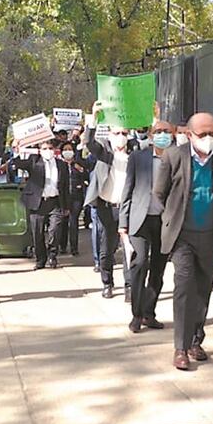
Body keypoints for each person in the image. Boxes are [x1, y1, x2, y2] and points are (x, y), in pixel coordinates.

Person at [154, 113, 213, 371]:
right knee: (184, 285)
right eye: (202, 134)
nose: (208, 138)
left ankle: (195, 341)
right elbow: (160, 192)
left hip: (212, 234)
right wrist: (174, 215)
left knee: (202, 289)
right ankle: (180, 347)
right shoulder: (174, 156)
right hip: (183, 235)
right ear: (189, 134)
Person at [119, 120, 175, 333]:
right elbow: (128, 190)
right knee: (139, 264)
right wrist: (123, 223)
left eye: (166, 132)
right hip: (139, 219)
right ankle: (136, 314)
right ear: (151, 135)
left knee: (158, 269)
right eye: (158, 132)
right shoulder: (138, 157)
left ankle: (149, 312)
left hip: (164, 221)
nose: (162, 135)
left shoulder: (177, 157)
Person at [84, 103, 132, 298]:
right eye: (117, 133)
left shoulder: (135, 151)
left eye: (124, 133)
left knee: (129, 247)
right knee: (107, 248)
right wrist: (93, 118)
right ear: (110, 134)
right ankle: (107, 283)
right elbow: (88, 142)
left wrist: (154, 118)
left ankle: (129, 286)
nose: (120, 136)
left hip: (127, 207)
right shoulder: (103, 150)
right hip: (106, 207)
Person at [7, 139, 69, 270]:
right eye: (45, 148)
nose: (48, 151)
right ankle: (41, 259)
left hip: (55, 202)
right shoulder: (34, 160)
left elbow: (65, 186)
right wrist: (16, 150)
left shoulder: (61, 165)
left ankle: (52, 254)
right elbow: (17, 164)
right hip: (38, 202)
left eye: (50, 148)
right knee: (37, 232)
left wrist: (66, 206)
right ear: (40, 150)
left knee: (55, 230)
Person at [57, 141, 90, 256]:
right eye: (65, 149)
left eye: (69, 149)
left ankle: (74, 247)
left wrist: (81, 170)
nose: (67, 151)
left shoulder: (78, 164)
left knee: (73, 220)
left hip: (76, 196)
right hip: (63, 197)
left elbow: (87, 176)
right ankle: (62, 246)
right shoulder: (59, 165)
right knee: (63, 221)